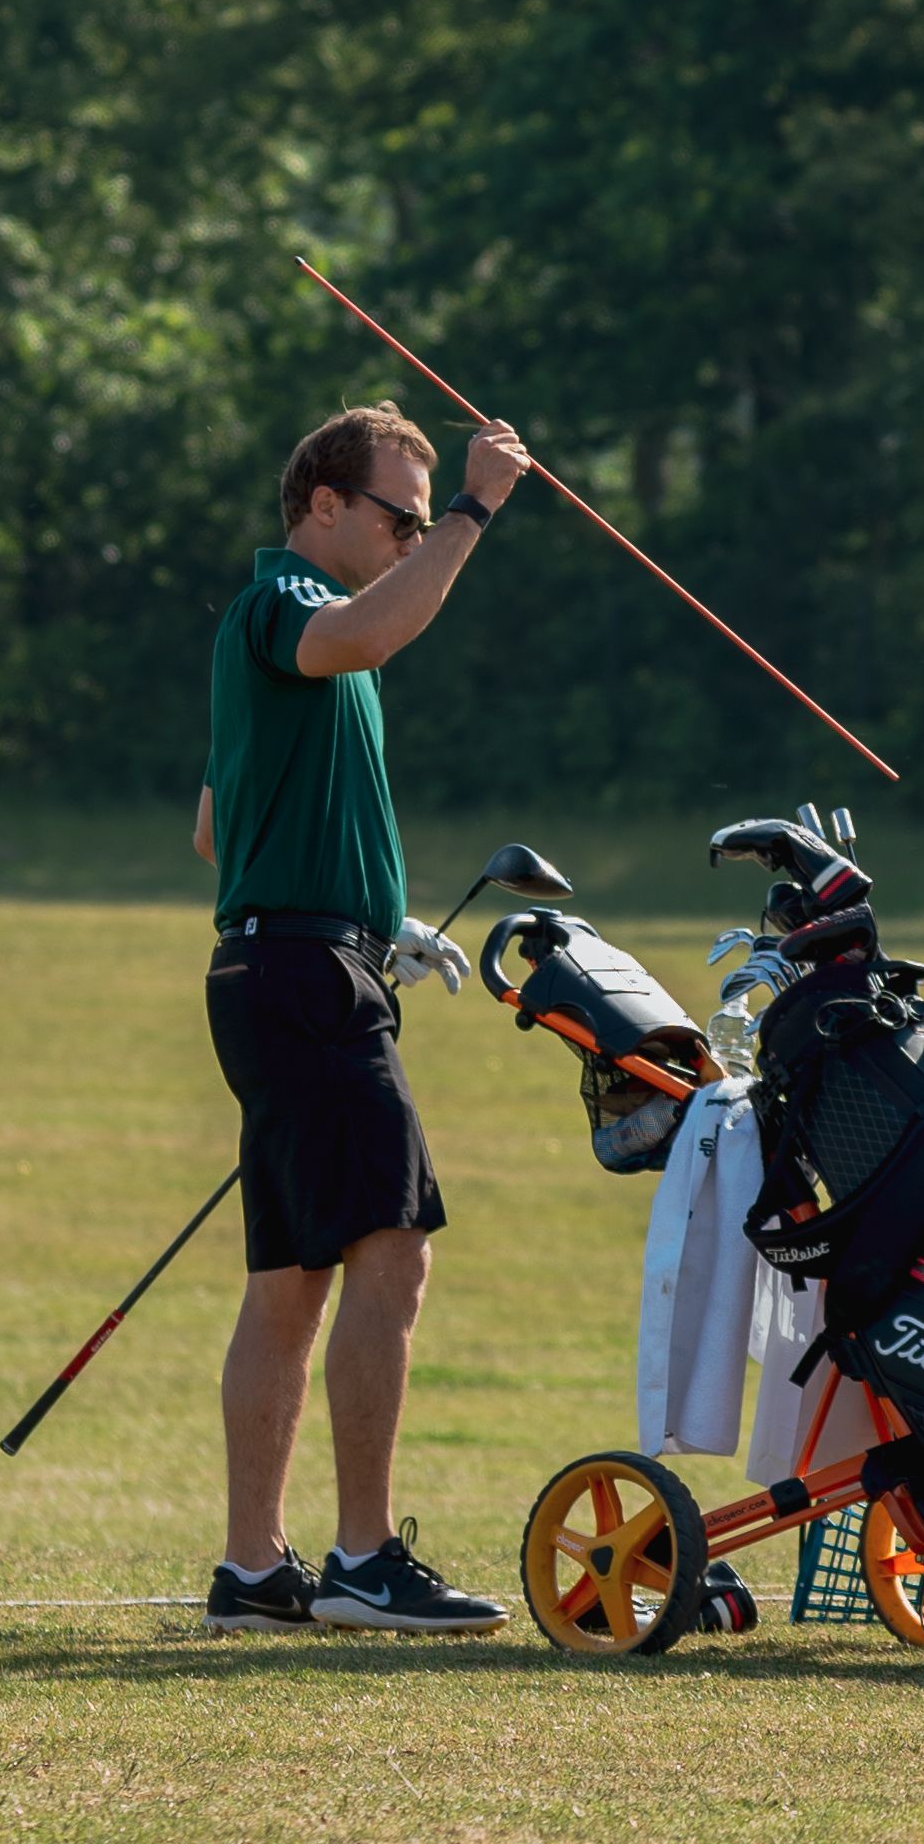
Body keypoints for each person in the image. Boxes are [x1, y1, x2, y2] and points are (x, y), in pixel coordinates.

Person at [190, 400, 531, 1637]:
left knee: (290, 1282)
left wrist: (365, 913)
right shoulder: (284, 599)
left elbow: (212, 825)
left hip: (293, 962)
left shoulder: (300, 634)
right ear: (321, 503)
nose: (408, 537)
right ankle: (363, 1557)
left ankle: (251, 1568)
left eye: (420, 517)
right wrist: (476, 508)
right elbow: (361, 637)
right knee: (391, 1247)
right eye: (395, 513)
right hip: (300, 979)